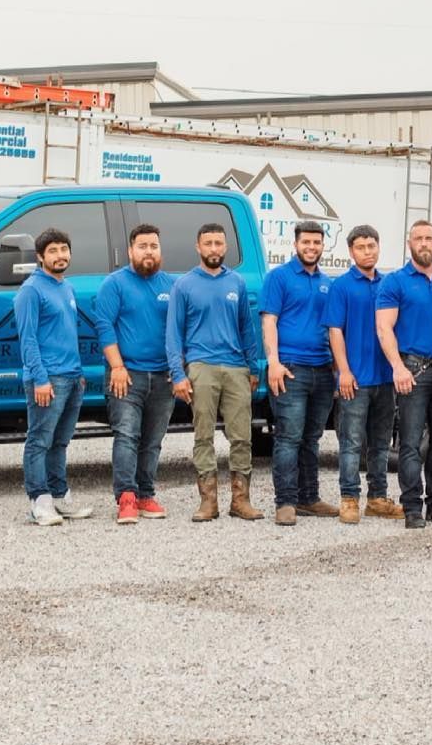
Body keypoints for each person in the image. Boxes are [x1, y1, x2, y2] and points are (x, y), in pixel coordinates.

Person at [166, 222, 263, 523]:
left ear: (226, 247)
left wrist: (253, 365)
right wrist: (178, 374)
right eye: (208, 243)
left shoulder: (237, 283)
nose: (214, 249)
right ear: (198, 247)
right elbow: (173, 334)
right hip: (201, 367)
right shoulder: (184, 285)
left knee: (242, 437)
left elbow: (247, 328)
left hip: (236, 368)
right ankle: (208, 502)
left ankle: (241, 500)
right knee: (203, 435)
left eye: (219, 243)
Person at [375, 219, 432, 529]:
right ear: (410, 244)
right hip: (412, 369)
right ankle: (411, 506)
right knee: (410, 443)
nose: (424, 243)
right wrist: (397, 367)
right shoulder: (395, 282)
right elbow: (384, 327)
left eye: (429, 238)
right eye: (418, 238)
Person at [94, 223, 176, 525]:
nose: (148, 251)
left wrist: (177, 369)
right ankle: (126, 497)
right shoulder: (114, 284)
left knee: (153, 440)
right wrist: (116, 366)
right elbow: (104, 326)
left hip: (163, 377)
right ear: (130, 251)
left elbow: (179, 331)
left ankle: (145, 494)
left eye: (153, 246)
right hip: (126, 376)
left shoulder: (171, 285)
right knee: (127, 436)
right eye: (142, 246)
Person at [322, 224, 404, 525]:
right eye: (361, 247)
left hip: (385, 378)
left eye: (371, 246)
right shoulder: (342, 286)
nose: (367, 252)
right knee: (351, 443)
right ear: (351, 252)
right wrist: (343, 371)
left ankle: (378, 499)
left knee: (381, 443)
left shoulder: (389, 284)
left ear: (378, 248)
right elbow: (335, 331)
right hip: (355, 380)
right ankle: (349, 499)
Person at [260, 220, 339, 525]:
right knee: (289, 437)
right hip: (290, 369)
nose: (311, 247)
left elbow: (332, 329)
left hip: (322, 370)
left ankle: (310, 498)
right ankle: (286, 502)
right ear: (295, 245)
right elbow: (269, 321)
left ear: (323, 246)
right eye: (306, 242)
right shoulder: (278, 278)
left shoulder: (327, 283)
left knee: (312, 438)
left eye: (317, 242)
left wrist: (335, 368)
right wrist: (274, 363)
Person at [15, 226, 94, 526]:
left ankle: (60, 497)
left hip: (72, 378)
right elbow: (28, 340)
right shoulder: (31, 291)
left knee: (61, 441)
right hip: (48, 379)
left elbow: (68, 334)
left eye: (64, 249)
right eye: (53, 251)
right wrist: (40, 378)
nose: (60, 256)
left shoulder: (66, 287)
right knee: (39, 440)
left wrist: (80, 374)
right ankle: (40, 502)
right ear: (40, 256)